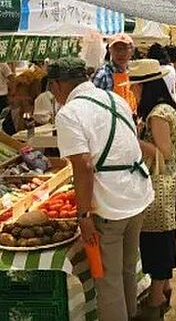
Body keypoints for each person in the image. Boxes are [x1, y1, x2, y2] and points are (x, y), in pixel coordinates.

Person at [51, 57, 154, 321]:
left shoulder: (69, 113)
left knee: (108, 280)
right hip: (138, 193)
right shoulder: (115, 99)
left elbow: (83, 166)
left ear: (55, 85)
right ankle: (131, 315)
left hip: (111, 204)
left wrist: (84, 216)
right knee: (127, 269)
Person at [126, 59, 176, 319]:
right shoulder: (165, 108)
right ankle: (164, 288)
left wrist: (135, 141)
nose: (133, 92)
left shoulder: (158, 114)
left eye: (136, 87)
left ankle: (156, 295)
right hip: (169, 181)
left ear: (146, 88)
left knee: (157, 238)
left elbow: (163, 152)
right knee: (163, 234)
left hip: (160, 183)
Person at [93, 33, 137, 112]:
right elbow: (93, 104)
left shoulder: (134, 73)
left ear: (132, 51)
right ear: (110, 50)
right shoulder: (103, 74)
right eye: (117, 49)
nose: (120, 53)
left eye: (125, 48)